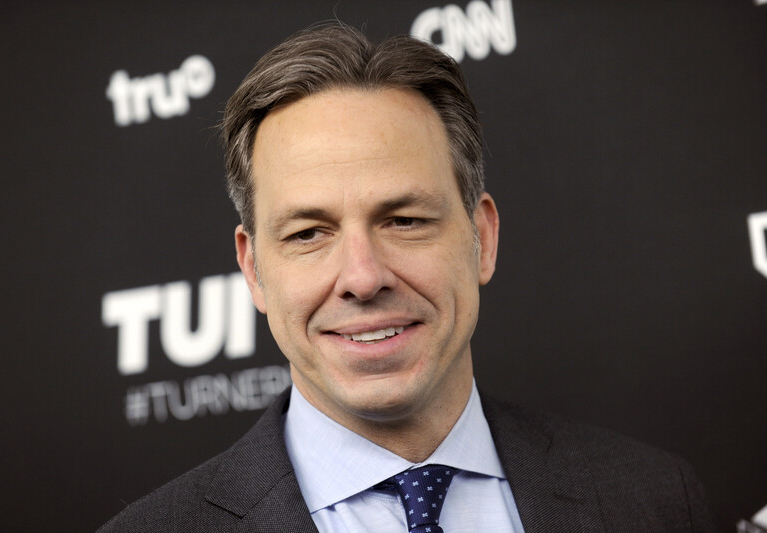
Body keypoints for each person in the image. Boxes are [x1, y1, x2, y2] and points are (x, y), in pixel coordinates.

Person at [99, 23, 714, 532]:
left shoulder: (655, 501)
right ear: (255, 270)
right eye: (309, 233)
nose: (363, 278)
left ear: (483, 239)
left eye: (405, 220)